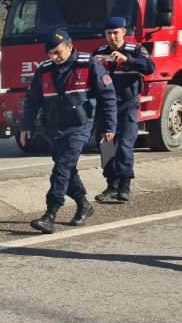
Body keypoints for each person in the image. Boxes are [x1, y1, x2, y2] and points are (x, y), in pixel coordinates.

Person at [18, 28, 116, 233]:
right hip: (53, 128)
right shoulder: (44, 69)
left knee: (61, 168)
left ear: (69, 47)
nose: (54, 57)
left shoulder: (89, 64)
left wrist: (109, 127)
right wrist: (25, 126)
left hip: (80, 127)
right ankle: (83, 204)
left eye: (57, 52)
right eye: (50, 54)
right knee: (67, 169)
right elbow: (32, 100)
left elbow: (107, 97)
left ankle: (50, 213)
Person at [92, 16, 155, 203]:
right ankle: (111, 185)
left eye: (116, 33)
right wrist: (94, 63)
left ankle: (125, 185)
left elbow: (150, 67)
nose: (112, 37)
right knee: (106, 147)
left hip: (127, 104)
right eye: (109, 33)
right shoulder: (100, 52)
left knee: (125, 145)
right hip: (105, 107)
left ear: (124, 33)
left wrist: (128, 60)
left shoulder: (135, 50)